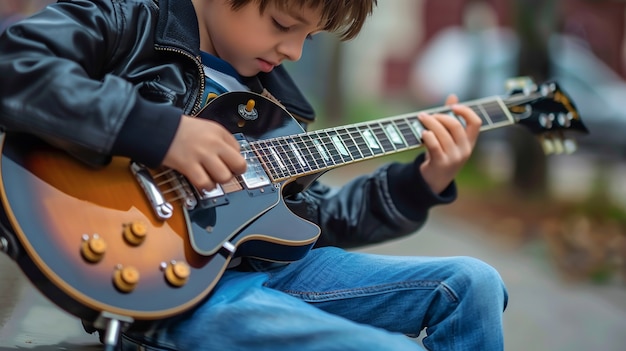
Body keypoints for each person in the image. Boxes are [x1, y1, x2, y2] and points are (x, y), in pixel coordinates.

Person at [0, 0, 508, 350]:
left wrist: (422, 182)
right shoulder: (131, 18)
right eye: (284, 23)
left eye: (310, 36)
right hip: (175, 292)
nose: (295, 51)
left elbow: (315, 221)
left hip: (262, 275)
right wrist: (158, 131)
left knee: (472, 282)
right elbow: (15, 61)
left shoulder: (278, 104)